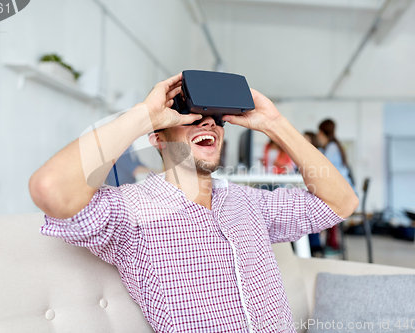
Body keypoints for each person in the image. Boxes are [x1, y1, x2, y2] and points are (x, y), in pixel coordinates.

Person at [29, 73, 358, 332]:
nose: (208, 122)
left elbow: (342, 202)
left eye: (217, 119)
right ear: (158, 136)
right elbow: (50, 189)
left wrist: (274, 124)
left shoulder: (250, 203)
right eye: (190, 116)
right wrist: (145, 115)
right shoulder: (130, 211)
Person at [317, 119, 356, 252]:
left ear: (321, 133)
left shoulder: (331, 148)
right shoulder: (333, 146)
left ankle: (329, 243)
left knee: (318, 203)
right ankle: (327, 242)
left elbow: (324, 169)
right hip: (344, 191)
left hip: (343, 193)